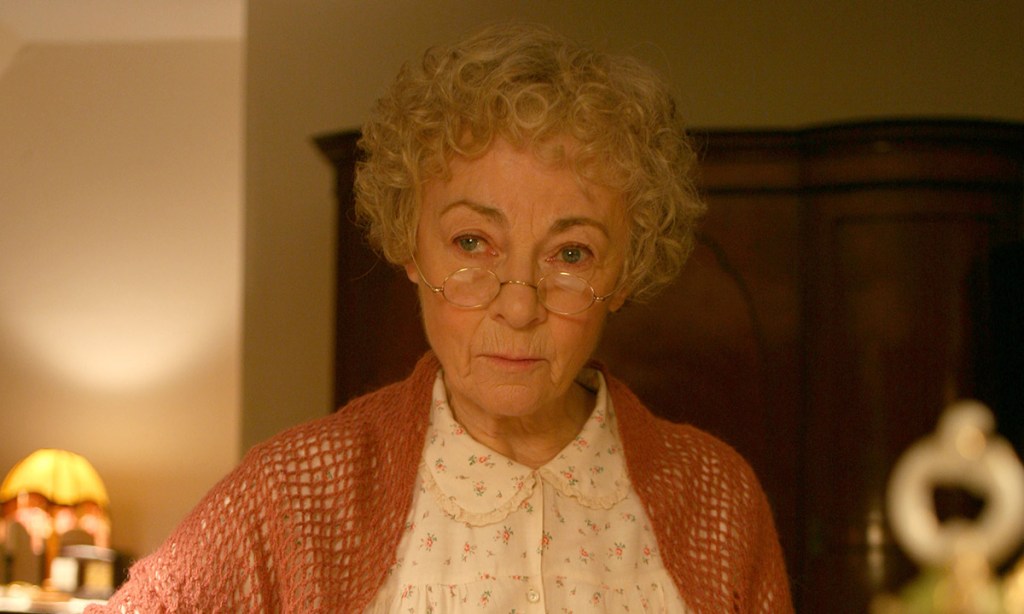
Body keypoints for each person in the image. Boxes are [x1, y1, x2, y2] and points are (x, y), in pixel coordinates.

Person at [88, 23, 792, 613]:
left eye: (571, 252)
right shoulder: (299, 491)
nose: (518, 306)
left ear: (626, 268)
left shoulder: (716, 499)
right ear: (409, 245)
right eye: (471, 243)